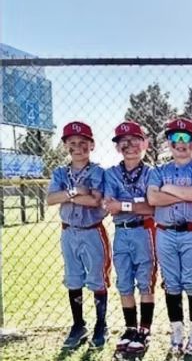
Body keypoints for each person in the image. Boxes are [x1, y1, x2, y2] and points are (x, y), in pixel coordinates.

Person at [147, 118, 192, 356]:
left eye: (186, 138)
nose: (181, 143)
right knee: (171, 284)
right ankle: (176, 335)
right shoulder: (158, 171)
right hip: (165, 232)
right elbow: (153, 199)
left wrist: (168, 189)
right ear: (169, 143)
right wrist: (186, 194)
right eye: (175, 138)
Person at [47, 121, 110, 350]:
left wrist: (65, 195)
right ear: (65, 146)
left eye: (83, 142)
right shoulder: (59, 172)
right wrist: (75, 191)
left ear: (91, 145)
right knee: (73, 278)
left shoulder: (97, 171)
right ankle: (78, 324)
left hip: (92, 231)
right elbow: (50, 199)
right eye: (72, 143)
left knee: (96, 278)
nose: (77, 147)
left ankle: (101, 325)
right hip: (68, 232)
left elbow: (94, 200)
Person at [103, 121, 156, 354]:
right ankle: (130, 328)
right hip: (121, 231)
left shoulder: (152, 173)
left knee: (145, 280)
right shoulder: (111, 173)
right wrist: (136, 204)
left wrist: (125, 203)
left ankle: (145, 330)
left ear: (144, 143)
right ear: (117, 147)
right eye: (123, 141)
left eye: (135, 140)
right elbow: (110, 207)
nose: (129, 145)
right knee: (124, 281)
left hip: (144, 230)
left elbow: (152, 206)